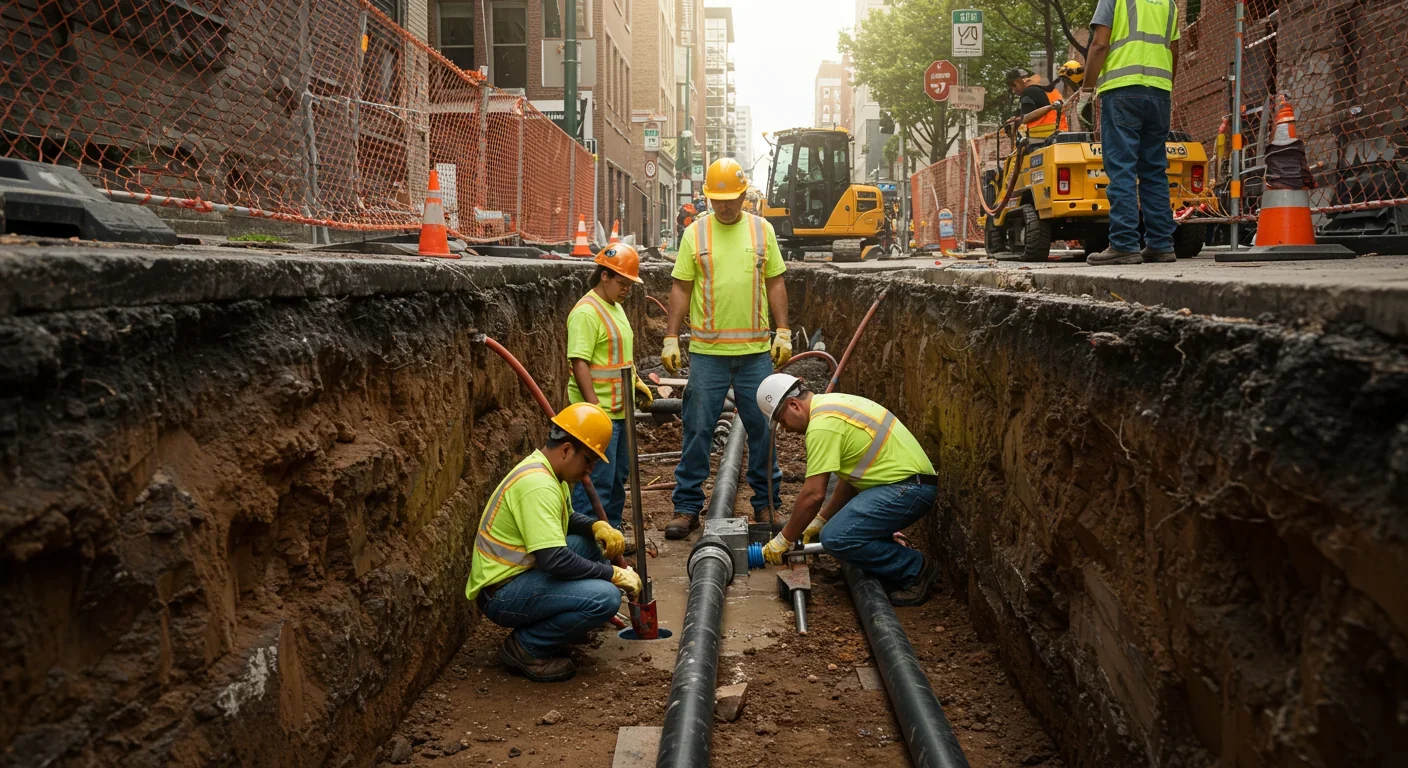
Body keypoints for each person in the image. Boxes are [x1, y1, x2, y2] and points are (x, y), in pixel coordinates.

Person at [660, 158, 791, 539]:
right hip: (707, 353)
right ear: (708, 199)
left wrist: (782, 331)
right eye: (717, 200)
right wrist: (671, 335)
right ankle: (686, 507)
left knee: (763, 430)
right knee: (698, 429)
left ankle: (767, 503)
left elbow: (776, 282)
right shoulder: (696, 234)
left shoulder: (761, 230)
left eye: (731, 198)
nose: (724, 206)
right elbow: (681, 287)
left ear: (743, 194)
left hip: (754, 354)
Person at [465, 403, 642, 682]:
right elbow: (555, 560)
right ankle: (526, 646)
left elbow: (567, 518)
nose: (591, 469)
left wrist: (596, 526)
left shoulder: (549, 472)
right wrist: (613, 574)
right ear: (567, 450)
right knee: (606, 597)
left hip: (522, 573)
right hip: (501, 593)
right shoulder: (538, 485)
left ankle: (567, 620)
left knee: (593, 545)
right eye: (588, 460)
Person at [755, 374, 943, 606]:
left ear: (794, 405)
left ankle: (916, 569)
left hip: (908, 489)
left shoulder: (822, 425)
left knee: (835, 537)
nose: (784, 429)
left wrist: (784, 539)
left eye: (782, 421)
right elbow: (850, 480)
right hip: (907, 485)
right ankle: (887, 549)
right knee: (834, 529)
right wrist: (821, 519)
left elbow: (813, 494)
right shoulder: (832, 406)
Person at [565, 244, 653, 552]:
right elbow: (580, 363)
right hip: (599, 417)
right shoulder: (586, 313)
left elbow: (620, 359)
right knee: (595, 486)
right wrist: (594, 411)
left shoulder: (615, 307)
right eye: (622, 282)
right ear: (604, 276)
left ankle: (610, 540)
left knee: (616, 482)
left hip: (619, 412)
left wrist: (637, 382)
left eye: (630, 284)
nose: (627, 289)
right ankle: (584, 549)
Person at [1082, 0, 1181, 265]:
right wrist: (1162, 89)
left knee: (1122, 167)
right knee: (1153, 169)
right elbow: (1173, 50)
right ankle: (1161, 244)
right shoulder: (1168, 4)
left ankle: (1124, 244)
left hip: (1122, 90)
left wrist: (1087, 89)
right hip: (1159, 91)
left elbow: (1100, 44)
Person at [1003, 67, 1069, 143]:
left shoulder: (1028, 91)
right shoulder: (1048, 89)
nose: (1014, 91)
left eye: (1014, 87)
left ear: (1018, 81)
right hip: (1061, 135)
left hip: (1042, 139)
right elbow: (1041, 110)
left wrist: (1018, 121)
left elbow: (1026, 118)